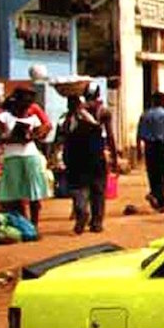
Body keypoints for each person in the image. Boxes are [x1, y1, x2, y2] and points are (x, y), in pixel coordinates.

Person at [0, 88, 53, 228]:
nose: (26, 109)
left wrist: (33, 135)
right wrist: (12, 138)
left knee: (34, 193)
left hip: (30, 156)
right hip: (12, 157)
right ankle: (22, 223)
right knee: (15, 194)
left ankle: (34, 224)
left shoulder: (33, 118)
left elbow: (42, 133)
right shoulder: (4, 117)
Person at [58, 92, 114, 234]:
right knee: (97, 190)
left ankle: (83, 212)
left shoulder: (68, 118)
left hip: (76, 158)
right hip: (93, 156)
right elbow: (109, 134)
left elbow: (62, 137)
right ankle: (96, 222)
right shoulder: (101, 113)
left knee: (79, 188)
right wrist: (113, 155)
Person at [136, 92, 164, 213]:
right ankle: (155, 194)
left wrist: (138, 150)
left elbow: (139, 134)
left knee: (153, 175)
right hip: (161, 147)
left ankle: (161, 204)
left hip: (148, 147)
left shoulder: (145, 115)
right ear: (163, 101)